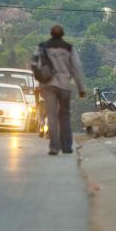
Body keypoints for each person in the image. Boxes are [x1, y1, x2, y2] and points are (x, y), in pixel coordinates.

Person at [40, 25, 87, 156]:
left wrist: (40, 86)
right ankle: (67, 146)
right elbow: (76, 68)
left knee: (52, 115)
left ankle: (54, 146)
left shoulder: (44, 47)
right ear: (63, 35)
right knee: (65, 115)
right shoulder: (69, 48)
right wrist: (81, 88)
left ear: (50, 34)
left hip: (49, 85)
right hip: (65, 85)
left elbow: (38, 67)